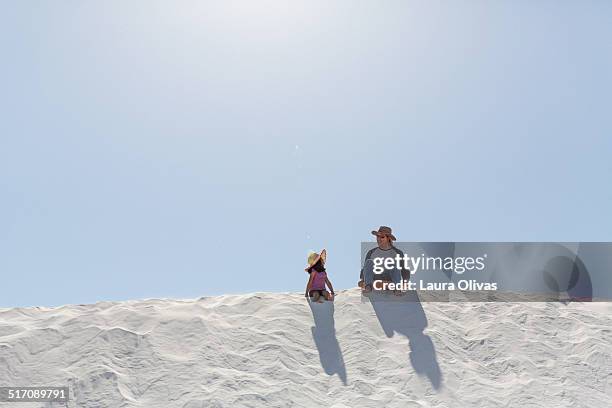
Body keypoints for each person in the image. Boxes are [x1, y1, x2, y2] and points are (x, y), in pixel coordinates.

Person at [359, 226, 409, 295]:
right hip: (376, 277)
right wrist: (362, 279)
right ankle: (368, 287)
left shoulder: (397, 252)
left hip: (391, 278)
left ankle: (397, 289)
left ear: (388, 238)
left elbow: (404, 269)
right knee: (369, 262)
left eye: (382, 237)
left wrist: (405, 281)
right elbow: (366, 268)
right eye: (377, 237)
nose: (379, 239)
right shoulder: (371, 252)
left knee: (393, 264)